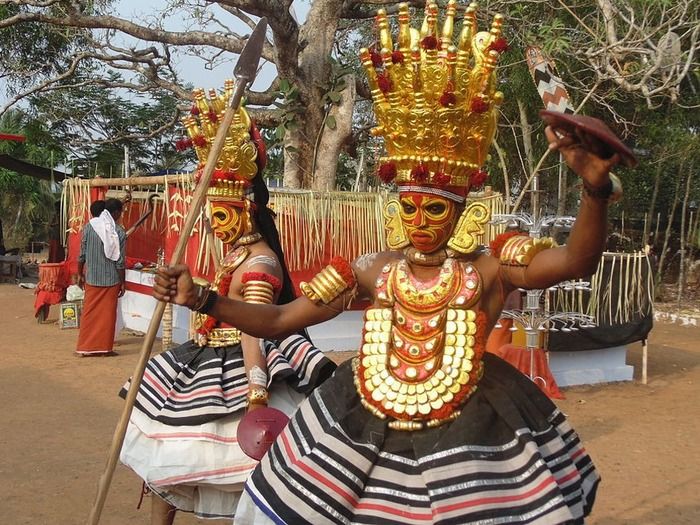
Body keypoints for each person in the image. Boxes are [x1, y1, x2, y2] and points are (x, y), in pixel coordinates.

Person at [153, 4, 633, 523]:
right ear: (395, 207)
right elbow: (277, 320)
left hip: (474, 433)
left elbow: (575, 263)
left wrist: (595, 189)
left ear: (460, 213)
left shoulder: (490, 269)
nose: (421, 220)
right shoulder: (370, 269)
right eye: (410, 206)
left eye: (435, 209)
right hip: (364, 430)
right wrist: (201, 297)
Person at [119, 89, 336, 524]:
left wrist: (257, 396)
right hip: (204, 357)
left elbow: (254, 326)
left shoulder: (259, 261)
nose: (216, 228)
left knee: (248, 470)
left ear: (247, 212)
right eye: (212, 217)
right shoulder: (236, 252)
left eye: (222, 217)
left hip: (242, 367)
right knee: (171, 459)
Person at [75, 197, 126, 356]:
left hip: (92, 278)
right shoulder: (118, 232)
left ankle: (85, 347)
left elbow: (81, 255)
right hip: (111, 280)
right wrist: (123, 282)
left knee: (89, 314)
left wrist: (79, 274)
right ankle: (104, 348)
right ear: (116, 212)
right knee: (108, 316)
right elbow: (120, 261)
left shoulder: (88, 228)